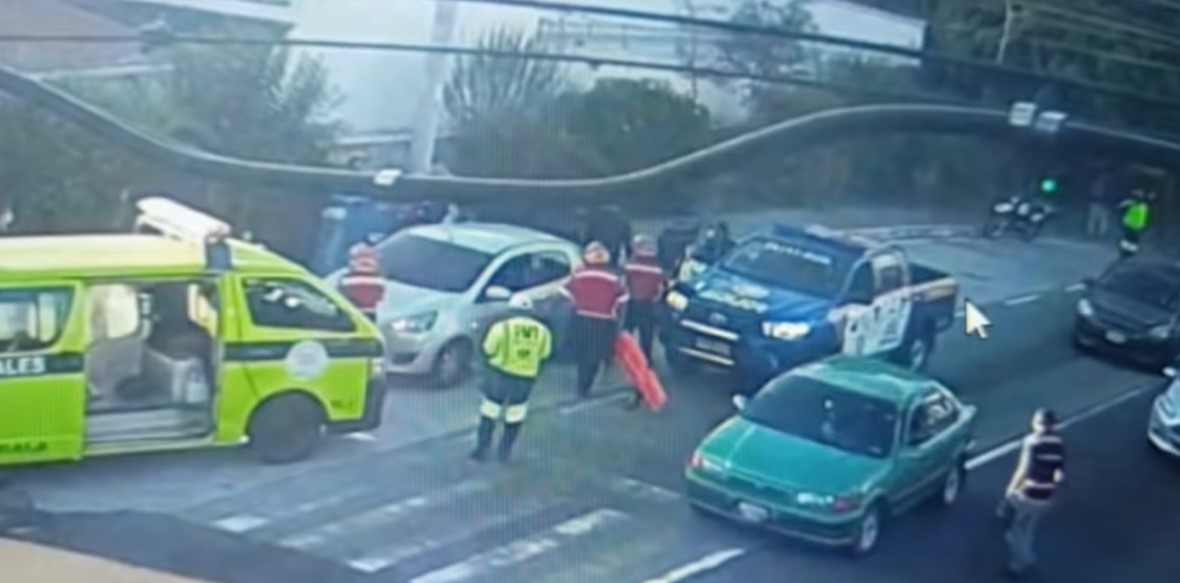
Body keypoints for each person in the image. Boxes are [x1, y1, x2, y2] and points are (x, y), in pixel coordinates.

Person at [471, 293, 553, 463]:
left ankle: (482, 449)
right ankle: (504, 452)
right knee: (515, 415)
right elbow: (544, 355)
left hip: (499, 376)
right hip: (525, 379)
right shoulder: (542, 331)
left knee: (490, 412)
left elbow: (488, 349)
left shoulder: (501, 328)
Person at [999, 408, 1066, 577]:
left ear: (1037, 424)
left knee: (1014, 530)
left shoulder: (1032, 442)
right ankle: (1019, 561)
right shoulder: (1059, 443)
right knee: (1028, 527)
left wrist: (1010, 489)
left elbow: (1023, 469)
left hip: (1029, 494)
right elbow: (1059, 473)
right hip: (1046, 497)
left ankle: (1023, 561)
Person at [562, 241, 628, 398]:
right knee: (596, 355)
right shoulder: (613, 278)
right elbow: (623, 297)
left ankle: (581, 385)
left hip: (581, 319)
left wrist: (576, 302)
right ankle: (588, 383)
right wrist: (612, 309)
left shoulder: (579, 275)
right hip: (604, 323)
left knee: (582, 354)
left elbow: (564, 291)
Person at [339, 243, 385, 321]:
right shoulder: (345, 279)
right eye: (360, 257)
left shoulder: (379, 280)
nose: (365, 260)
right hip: (351, 314)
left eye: (369, 257)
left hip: (368, 314)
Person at [1118, 188, 1151, 257]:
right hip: (1132, 225)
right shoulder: (1133, 203)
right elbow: (1121, 208)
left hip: (1135, 226)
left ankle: (1129, 252)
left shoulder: (1142, 205)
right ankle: (1126, 252)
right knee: (1129, 239)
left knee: (1132, 240)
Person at [1086, 166, 1116, 239]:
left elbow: (1111, 194)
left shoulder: (1108, 184)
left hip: (1102, 203)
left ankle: (1099, 235)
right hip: (1097, 202)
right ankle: (1092, 234)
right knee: (1095, 219)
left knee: (1101, 220)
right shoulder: (1097, 183)